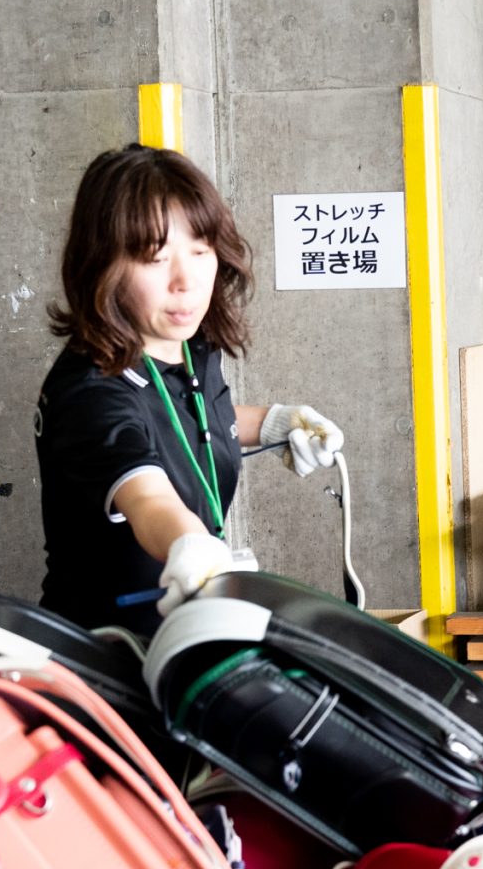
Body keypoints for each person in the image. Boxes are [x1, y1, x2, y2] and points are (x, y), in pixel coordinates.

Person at [36, 144, 344, 636]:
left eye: (200, 251)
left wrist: (272, 423)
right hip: (112, 652)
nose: (186, 281)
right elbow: (146, 496)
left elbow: (182, 415)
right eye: (155, 258)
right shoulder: (87, 393)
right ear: (102, 264)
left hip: (188, 632)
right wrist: (190, 541)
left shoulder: (189, 343)